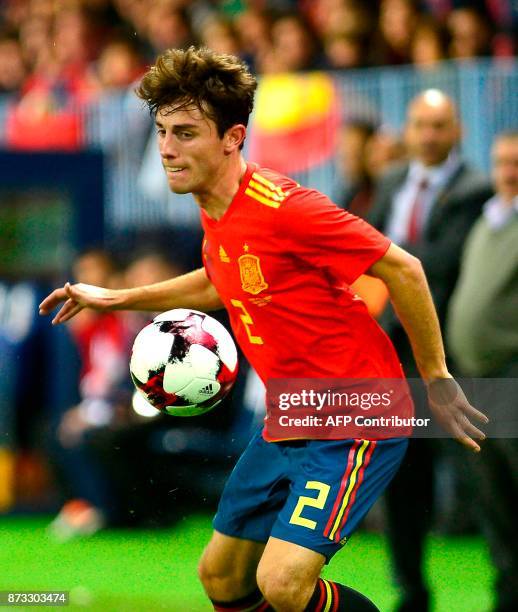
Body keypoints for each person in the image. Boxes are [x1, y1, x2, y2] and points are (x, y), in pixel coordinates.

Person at [39, 47, 487, 612]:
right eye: (161, 132)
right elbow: (222, 279)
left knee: (283, 583)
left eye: (185, 133)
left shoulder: (287, 208)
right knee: (222, 577)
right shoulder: (216, 206)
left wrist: (436, 376)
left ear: (233, 137)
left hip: (356, 414)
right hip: (290, 415)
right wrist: (120, 297)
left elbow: (404, 267)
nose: (168, 150)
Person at [368, 88, 493, 611]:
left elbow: (439, 267)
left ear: (457, 131)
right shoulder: (393, 183)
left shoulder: (478, 190)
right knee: (401, 475)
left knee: (485, 477)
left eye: (438, 126)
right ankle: (410, 591)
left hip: (455, 356)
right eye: (419, 124)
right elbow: (367, 248)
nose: (427, 135)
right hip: (393, 359)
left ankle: (506, 589)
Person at [447, 131, 518, 612]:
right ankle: (508, 596)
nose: (508, 171)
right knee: (493, 498)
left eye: (516, 163)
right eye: (501, 162)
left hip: (512, 374)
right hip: (478, 379)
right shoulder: (488, 219)